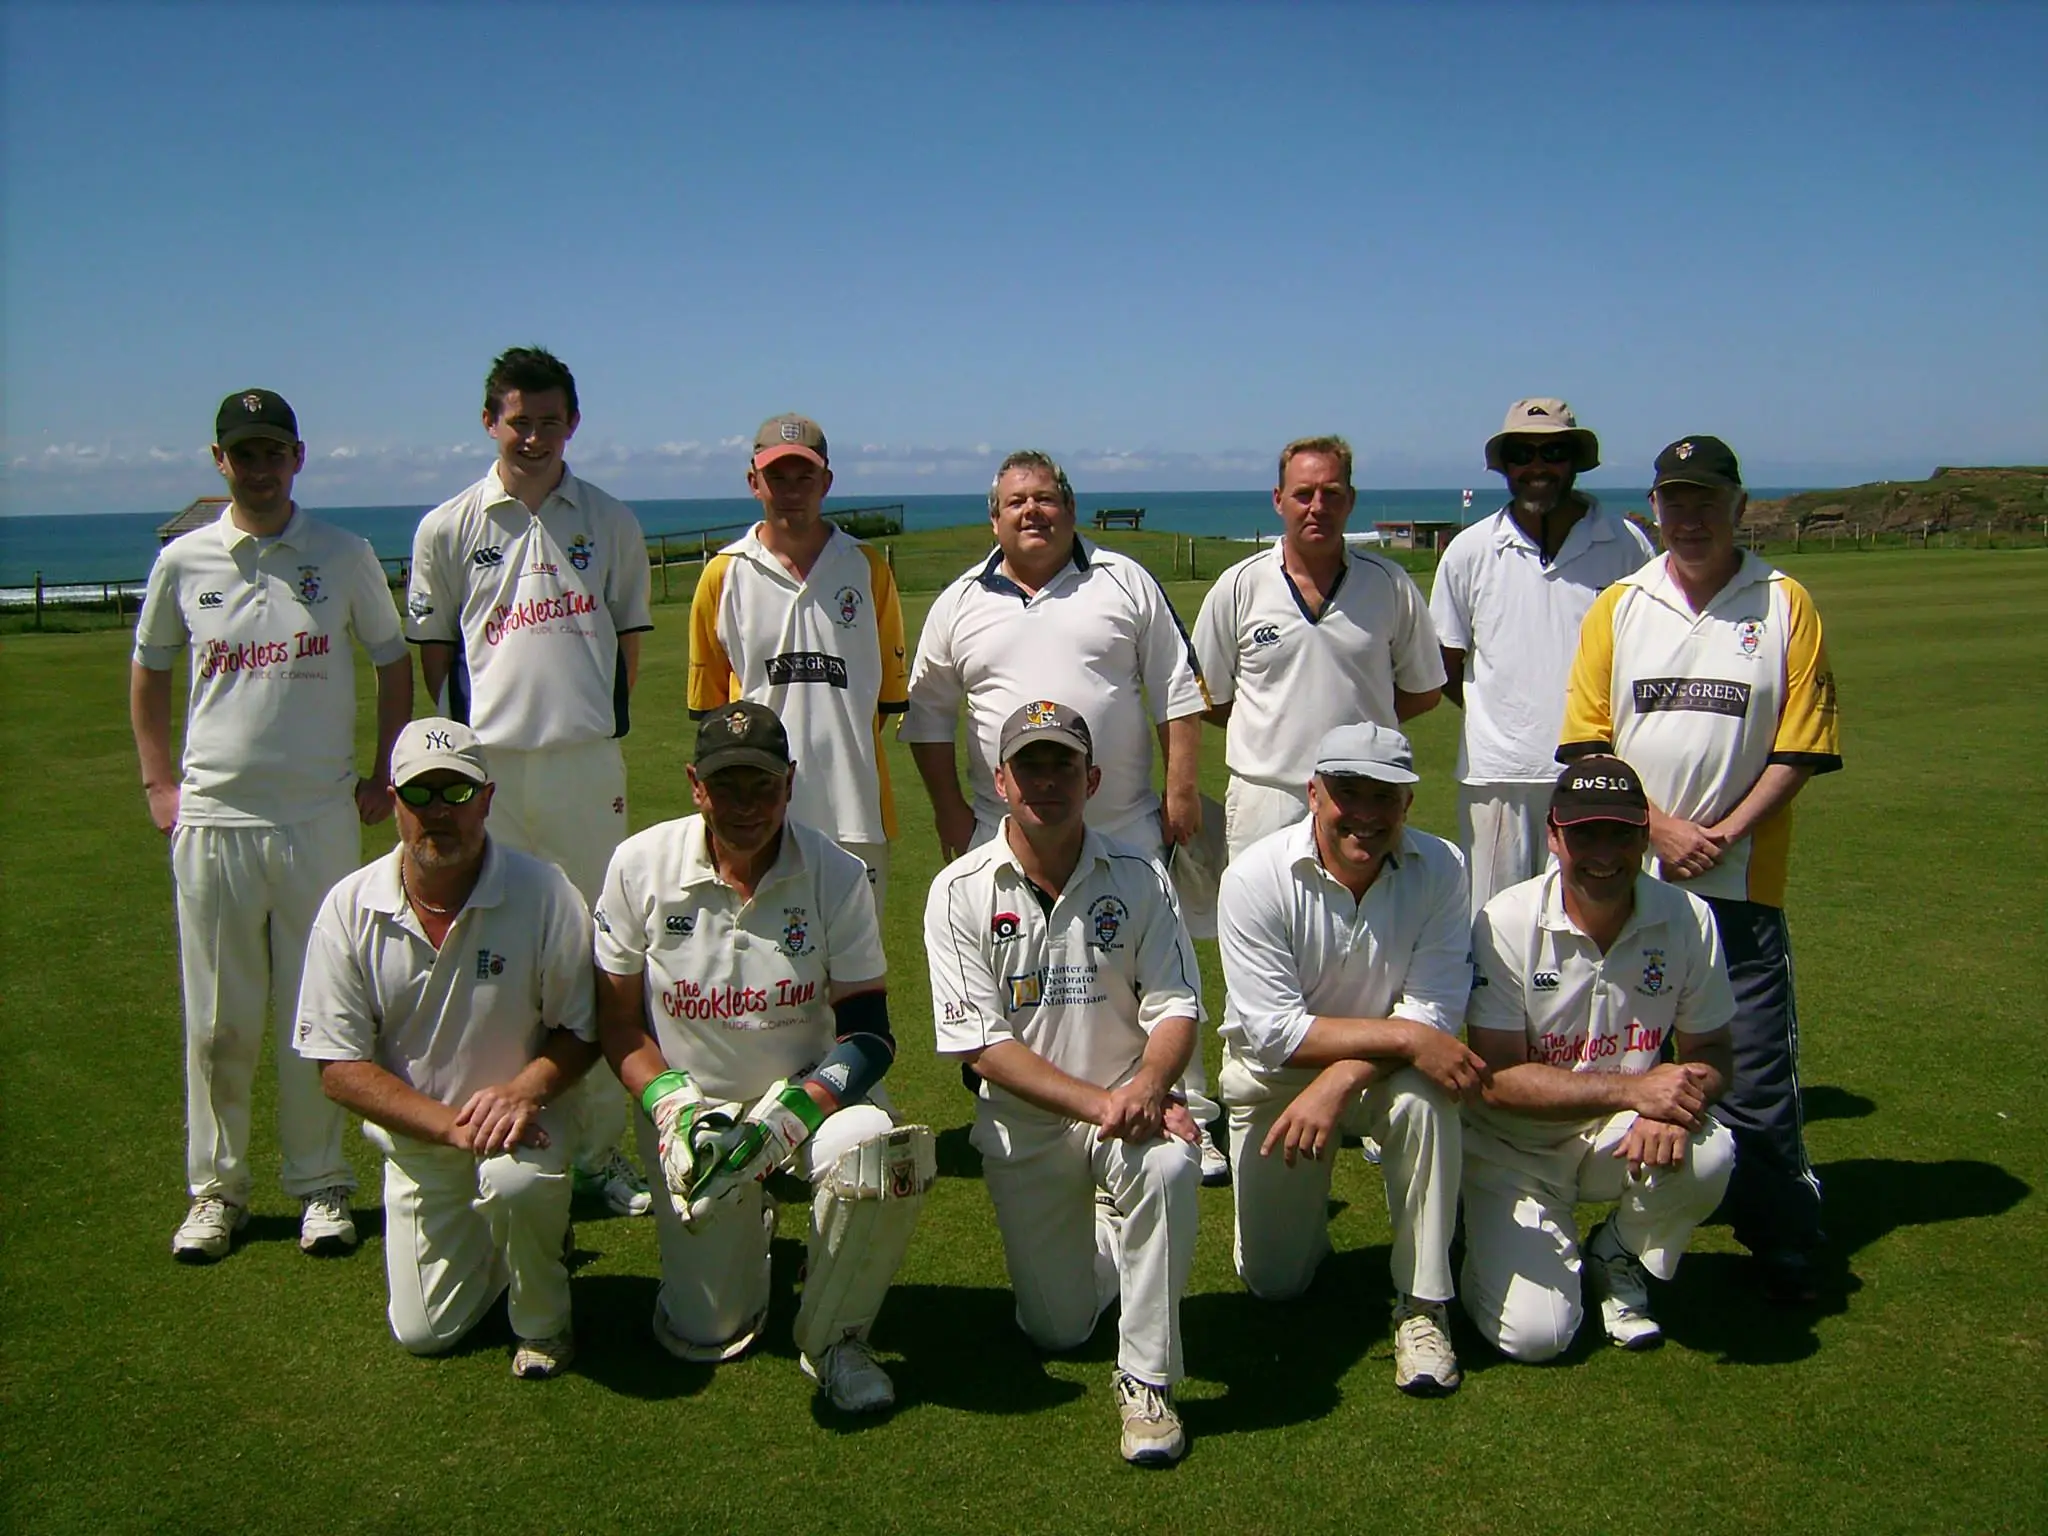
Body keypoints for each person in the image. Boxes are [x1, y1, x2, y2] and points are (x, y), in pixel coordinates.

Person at [131, 388, 412, 1263]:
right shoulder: (186, 561)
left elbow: (393, 661)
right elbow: (150, 672)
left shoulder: (343, 553)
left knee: (313, 1014)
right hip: (214, 817)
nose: (258, 469)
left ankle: (321, 1183)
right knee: (219, 1022)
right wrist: (156, 782)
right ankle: (215, 1191)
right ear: (221, 462)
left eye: (272, 452)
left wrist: (382, 774)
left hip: (318, 817)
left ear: (299, 457)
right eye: (242, 454)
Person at [1560, 435, 1842, 1304]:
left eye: (1705, 500)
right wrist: (1660, 830)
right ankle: (1616, 1220)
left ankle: (1777, 1229)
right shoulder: (1620, 603)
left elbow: (1801, 748)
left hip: (1740, 881)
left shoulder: (1784, 602)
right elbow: (1586, 744)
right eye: (1673, 500)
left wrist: (1717, 834)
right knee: (1615, 1057)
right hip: (1633, 877)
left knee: (1751, 1069)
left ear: (1738, 504)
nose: (1689, 517)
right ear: (1653, 508)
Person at [593, 702, 932, 1412]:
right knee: (709, 1328)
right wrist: (671, 1105)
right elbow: (618, 1025)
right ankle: (750, 1226)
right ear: (695, 784)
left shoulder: (835, 872)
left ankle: (837, 1338)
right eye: (726, 786)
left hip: (808, 1100)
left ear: (790, 783)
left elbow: (870, 1031)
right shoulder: (639, 866)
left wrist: (792, 1116)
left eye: (763, 786)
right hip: (695, 1117)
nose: (745, 806)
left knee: (879, 1148)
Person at [903, 450, 1224, 1178]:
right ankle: (1027, 1115)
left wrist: (1180, 790)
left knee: (1159, 976)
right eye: (1016, 502)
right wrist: (951, 810)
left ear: (1070, 509)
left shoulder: (1124, 581)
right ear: (994, 518)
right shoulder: (959, 602)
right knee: (1035, 978)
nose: (1032, 512)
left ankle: (1187, 1113)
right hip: (1004, 830)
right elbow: (927, 718)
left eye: (1046, 498)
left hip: (1126, 824)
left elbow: (1177, 687)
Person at [404, 345, 654, 1218]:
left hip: (587, 764)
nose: (537, 436)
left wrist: (583, 718)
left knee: (597, 955)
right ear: (490, 422)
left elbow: (629, 644)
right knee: (497, 955)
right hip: (491, 773)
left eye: (552, 421)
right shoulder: (447, 527)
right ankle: (504, 1137)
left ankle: (598, 1154)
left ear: (573, 423)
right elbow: (438, 659)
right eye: (521, 421)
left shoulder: (611, 519)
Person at [926, 701, 1204, 1466]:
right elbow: (979, 1045)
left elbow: (1178, 1002)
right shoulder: (958, 890)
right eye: (1030, 766)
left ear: (1094, 778)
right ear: (1000, 778)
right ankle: (1114, 1235)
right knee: (1058, 1328)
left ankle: (1147, 1379)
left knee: (1174, 1164)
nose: (1046, 781)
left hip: (1129, 1113)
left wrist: (1150, 1083)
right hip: (1030, 1123)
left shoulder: (1140, 875)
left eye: (1063, 765)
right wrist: (1105, 1102)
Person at [294, 719, 598, 1378]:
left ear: (487, 799)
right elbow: (338, 1068)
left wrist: (523, 1091)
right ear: (394, 804)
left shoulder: (545, 892)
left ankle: (543, 1319)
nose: (439, 813)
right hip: (423, 1145)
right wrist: (450, 1130)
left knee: (515, 1182)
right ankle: (522, 1236)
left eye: (456, 795)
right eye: (420, 795)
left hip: (526, 1124)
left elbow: (581, 1029)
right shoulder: (348, 909)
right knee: (426, 1332)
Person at [1215, 723, 1482, 1396]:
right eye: (1347, 793)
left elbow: (1437, 1013)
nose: (1365, 813)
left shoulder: (1443, 867)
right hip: (1274, 1079)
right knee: (1275, 1283)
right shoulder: (1255, 878)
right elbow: (1274, 1034)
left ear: (1408, 804)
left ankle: (1423, 1306)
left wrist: (1338, 1081)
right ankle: (1301, 1223)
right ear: (1313, 794)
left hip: (1379, 1077)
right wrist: (1403, 1040)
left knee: (1428, 1099)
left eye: (1383, 796)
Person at [1460, 757, 1736, 1360]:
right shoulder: (1506, 920)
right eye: (1585, 833)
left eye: (1619, 833)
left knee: (1709, 1150)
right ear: (1554, 836)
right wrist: (1639, 1092)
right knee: (1539, 1339)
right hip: (1514, 1148)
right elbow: (1497, 1080)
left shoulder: (1687, 917)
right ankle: (1479, 1231)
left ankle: (1617, 1251)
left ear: (1645, 836)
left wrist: (1675, 1102)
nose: (1603, 852)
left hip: (1620, 1135)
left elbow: (1713, 1052)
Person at [1429, 400, 1655, 915]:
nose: (1537, 466)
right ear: (1504, 464)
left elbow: (1647, 657)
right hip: (1497, 773)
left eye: (1552, 451)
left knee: (1592, 916)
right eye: (1522, 454)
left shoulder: (1627, 546)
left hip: (1599, 770)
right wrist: (1506, 712)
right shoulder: (1469, 550)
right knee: (1493, 922)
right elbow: (1446, 661)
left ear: (1574, 459)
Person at [688, 414, 908, 905]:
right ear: (753, 481)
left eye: (804, 476)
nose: (791, 490)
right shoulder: (723, 575)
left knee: (857, 972)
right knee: (768, 971)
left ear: (826, 481)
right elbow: (711, 718)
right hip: (756, 814)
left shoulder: (867, 568)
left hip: (854, 810)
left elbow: (886, 699)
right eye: (776, 477)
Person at [1193, 435, 1444, 860]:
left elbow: (1425, 689)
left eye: (1331, 493)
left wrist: (1362, 722)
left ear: (1350, 500)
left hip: (1361, 791)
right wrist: (1272, 726)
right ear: (1278, 500)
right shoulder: (1238, 586)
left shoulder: (1389, 584)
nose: (1317, 506)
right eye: (1303, 494)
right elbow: (1209, 698)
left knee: (1363, 919)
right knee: (1261, 921)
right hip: (1266, 795)